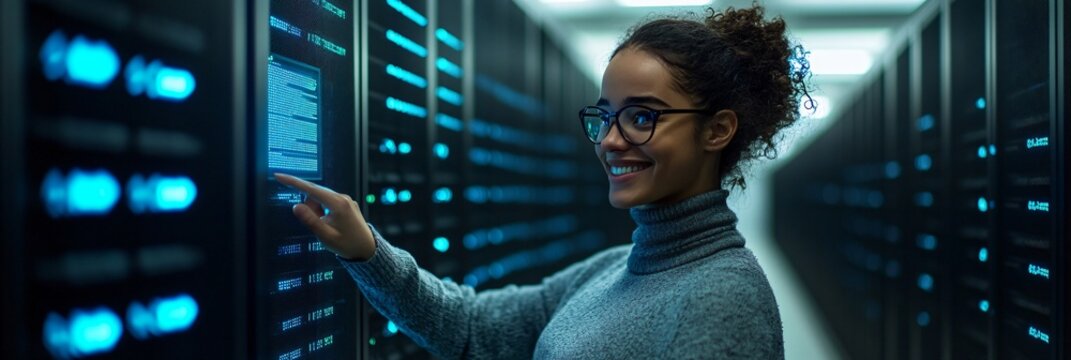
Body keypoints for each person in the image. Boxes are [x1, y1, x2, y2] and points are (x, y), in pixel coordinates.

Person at [275, 4, 810, 359]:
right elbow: (474, 330)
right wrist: (367, 251)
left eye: (642, 117)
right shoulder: (617, 267)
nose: (610, 140)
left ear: (716, 130)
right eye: (605, 117)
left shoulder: (724, 303)